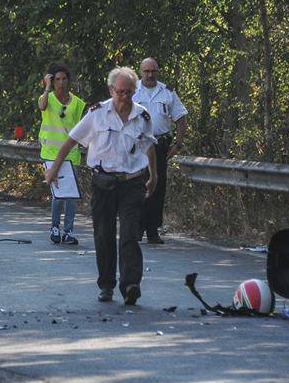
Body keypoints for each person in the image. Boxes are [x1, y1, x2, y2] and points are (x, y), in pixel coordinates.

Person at [44, 66, 157, 306]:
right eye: (120, 92)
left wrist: (154, 175)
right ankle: (106, 285)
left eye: (129, 92)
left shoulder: (143, 116)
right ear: (111, 90)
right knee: (104, 235)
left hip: (132, 183)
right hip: (103, 182)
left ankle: (130, 286)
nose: (125, 97)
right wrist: (54, 168)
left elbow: (149, 146)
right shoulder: (97, 114)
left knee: (129, 234)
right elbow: (71, 140)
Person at [132, 57, 188, 244]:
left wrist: (177, 144)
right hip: (138, 145)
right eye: (146, 71)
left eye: (153, 71)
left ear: (158, 71)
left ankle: (153, 230)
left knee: (157, 187)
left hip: (160, 144)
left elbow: (181, 117)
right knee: (138, 185)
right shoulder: (133, 91)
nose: (150, 75)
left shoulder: (167, 92)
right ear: (140, 72)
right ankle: (138, 227)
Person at [38, 63, 86, 245]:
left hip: (71, 154)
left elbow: (81, 127)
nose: (61, 83)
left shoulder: (78, 103)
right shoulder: (47, 98)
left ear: (68, 80)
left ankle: (68, 231)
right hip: (50, 153)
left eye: (64, 79)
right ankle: (55, 227)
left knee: (71, 195)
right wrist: (47, 87)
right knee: (58, 193)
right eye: (57, 79)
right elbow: (42, 106)